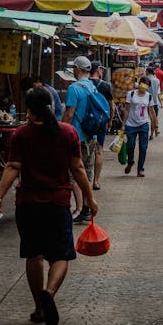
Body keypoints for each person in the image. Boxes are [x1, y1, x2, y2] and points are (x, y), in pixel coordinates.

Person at [0, 86, 97, 325]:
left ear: (28, 110)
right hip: (58, 203)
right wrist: (90, 199)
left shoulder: (20, 135)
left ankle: (39, 306)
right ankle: (49, 292)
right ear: (50, 105)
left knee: (34, 255)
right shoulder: (68, 132)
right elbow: (78, 169)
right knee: (60, 255)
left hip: (28, 204)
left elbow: (12, 167)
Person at [62, 56, 99, 223]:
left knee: (75, 172)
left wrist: (59, 131)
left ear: (77, 68)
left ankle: (78, 209)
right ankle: (86, 207)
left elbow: (69, 114)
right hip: (91, 134)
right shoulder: (93, 86)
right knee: (88, 173)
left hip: (76, 135)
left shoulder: (74, 88)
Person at [123, 75, 155, 177]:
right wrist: (123, 125)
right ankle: (130, 161)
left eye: (147, 85)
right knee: (130, 146)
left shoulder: (149, 96)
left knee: (143, 148)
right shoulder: (131, 94)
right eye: (143, 83)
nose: (144, 86)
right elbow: (127, 110)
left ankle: (140, 169)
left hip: (144, 124)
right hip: (130, 125)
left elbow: (151, 111)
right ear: (139, 83)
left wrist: (155, 125)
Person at [90, 61, 114, 191]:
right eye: (101, 69)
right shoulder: (105, 85)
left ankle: (86, 179)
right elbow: (111, 106)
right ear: (98, 70)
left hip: (85, 123)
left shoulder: (83, 84)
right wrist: (110, 121)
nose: (102, 71)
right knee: (98, 151)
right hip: (100, 123)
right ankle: (96, 181)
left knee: (85, 150)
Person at [145, 65, 162, 137]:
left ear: (148, 72)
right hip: (155, 102)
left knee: (150, 118)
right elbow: (158, 92)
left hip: (147, 101)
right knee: (154, 118)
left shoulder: (145, 80)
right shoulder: (157, 80)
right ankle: (154, 132)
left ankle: (152, 133)